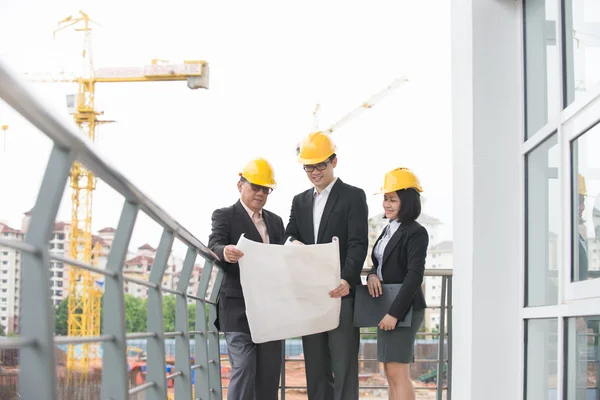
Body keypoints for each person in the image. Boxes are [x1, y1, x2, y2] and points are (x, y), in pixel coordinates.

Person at [285, 131, 369, 400]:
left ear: (334, 161)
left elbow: (358, 242)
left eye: (320, 165)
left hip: (341, 292)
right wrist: (292, 242)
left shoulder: (353, 196)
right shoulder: (299, 201)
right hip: (311, 294)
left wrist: (347, 279)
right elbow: (289, 233)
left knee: (344, 366)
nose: (314, 172)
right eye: (309, 166)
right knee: (316, 366)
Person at [207, 157, 285, 400]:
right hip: (237, 307)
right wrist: (225, 252)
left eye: (266, 189)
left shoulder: (275, 221)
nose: (260, 194)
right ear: (240, 185)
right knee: (244, 366)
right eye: (255, 187)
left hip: (270, 308)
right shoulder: (225, 215)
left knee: (269, 374)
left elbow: (282, 257)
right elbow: (214, 244)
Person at [366, 167, 428, 400]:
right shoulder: (388, 229)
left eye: (392, 200)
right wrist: (372, 274)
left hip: (404, 308)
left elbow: (414, 275)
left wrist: (395, 313)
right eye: (385, 199)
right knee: (389, 371)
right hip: (388, 306)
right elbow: (380, 263)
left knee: (398, 371)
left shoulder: (416, 232)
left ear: (408, 202)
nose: (386, 204)